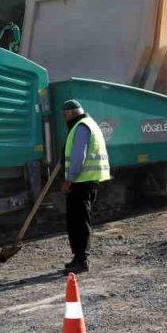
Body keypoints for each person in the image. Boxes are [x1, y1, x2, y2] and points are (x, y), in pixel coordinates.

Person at [60, 99, 111, 275]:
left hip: (81, 182)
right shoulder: (89, 123)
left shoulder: (81, 126)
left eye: (64, 115)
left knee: (79, 222)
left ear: (70, 114)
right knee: (77, 220)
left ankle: (82, 260)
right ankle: (78, 258)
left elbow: (78, 155)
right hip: (85, 181)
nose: (64, 119)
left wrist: (69, 179)